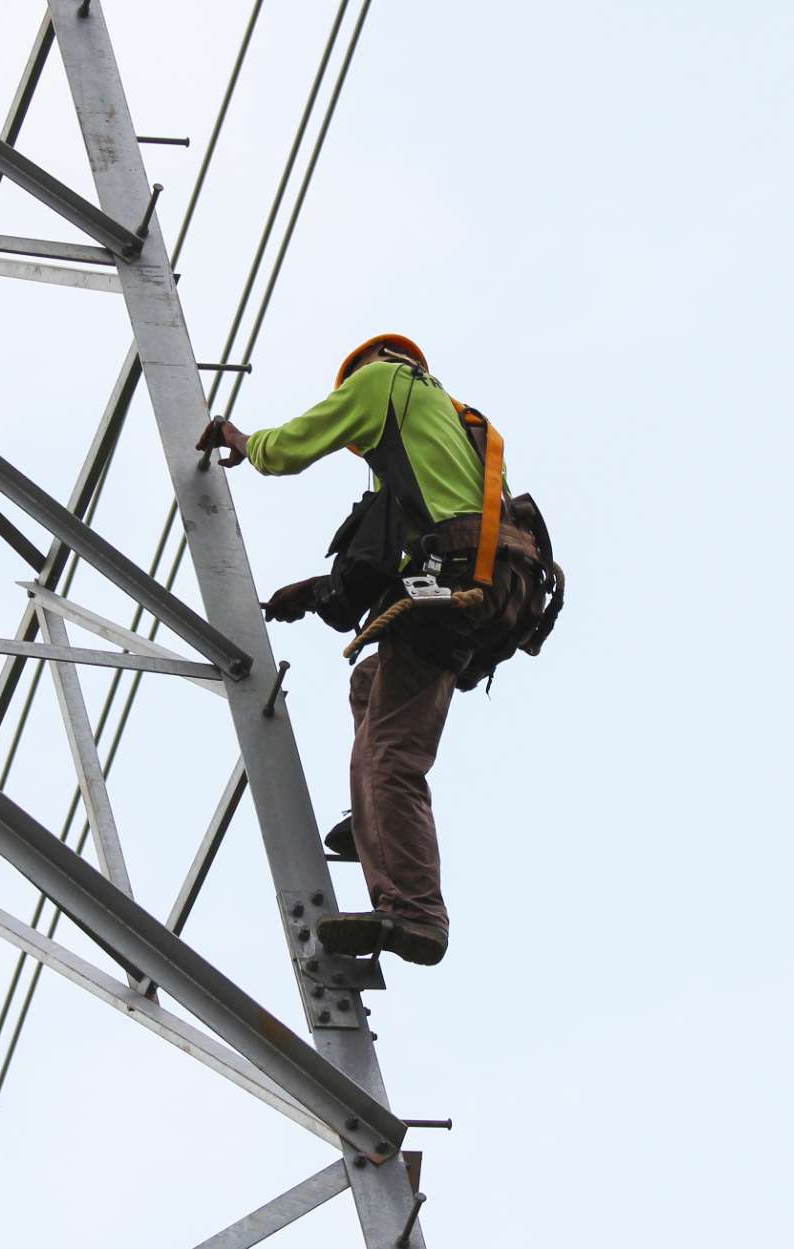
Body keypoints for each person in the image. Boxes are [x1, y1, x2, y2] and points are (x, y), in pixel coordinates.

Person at [196, 334, 561, 966]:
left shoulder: (379, 383)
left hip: (457, 586)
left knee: (390, 755)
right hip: (496, 589)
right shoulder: (447, 426)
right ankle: (376, 823)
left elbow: (285, 450)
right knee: (370, 685)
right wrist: (316, 592)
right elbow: (381, 563)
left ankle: (414, 912)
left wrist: (241, 440)